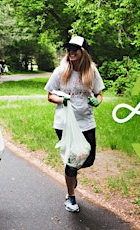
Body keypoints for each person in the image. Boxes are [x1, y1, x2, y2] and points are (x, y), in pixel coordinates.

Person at [44, 36, 105, 213]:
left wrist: (97, 101)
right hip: (64, 123)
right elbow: (49, 96)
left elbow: (99, 94)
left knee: (87, 159)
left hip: (86, 122)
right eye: (69, 49)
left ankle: (72, 174)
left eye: (74, 49)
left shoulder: (91, 71)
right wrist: (62, 100)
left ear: (83, 52)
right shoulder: (60, 71)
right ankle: (70, 196)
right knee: (72, 160)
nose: (71, 52)